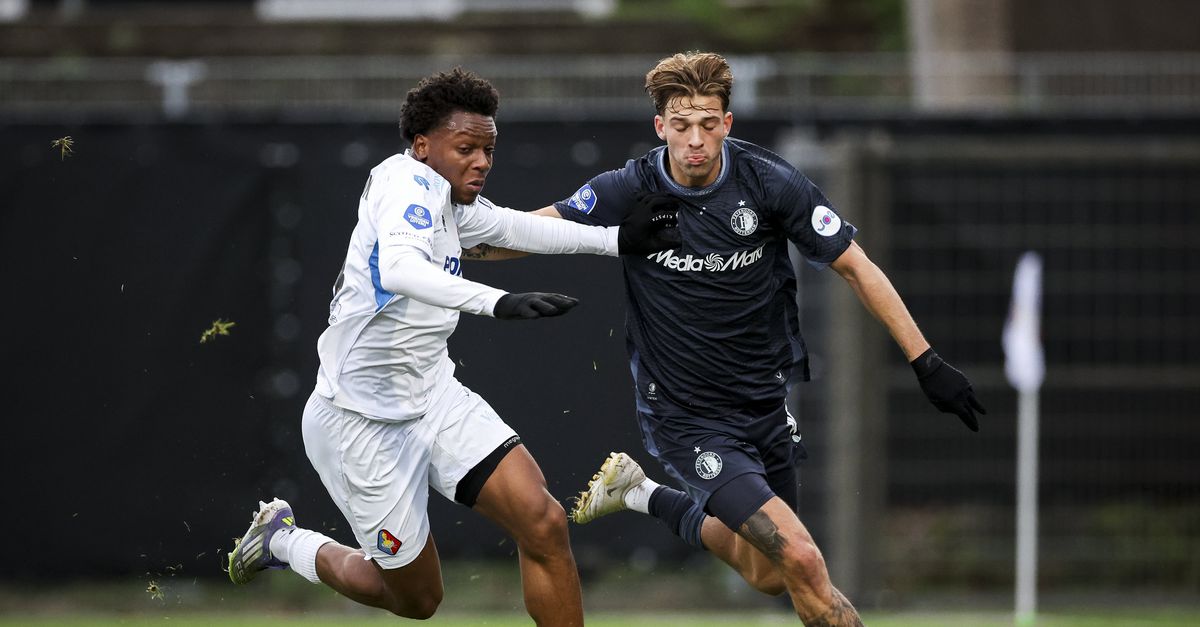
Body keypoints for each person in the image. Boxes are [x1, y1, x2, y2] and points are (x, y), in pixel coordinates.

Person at [483, 51, 986, 625]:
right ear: (660, 127)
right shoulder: (632, 188)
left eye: (707, 123)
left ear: (727, 123)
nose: (694, 139)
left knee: (770, 574)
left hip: (764, 404)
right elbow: (535, 228)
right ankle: (653, 487)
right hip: (686, 416)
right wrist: (455, 243)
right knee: (802, 557)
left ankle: (641, 492)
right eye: (681, 125)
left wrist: (926, 362)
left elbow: (856, 265)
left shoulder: (769, 182)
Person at [224, 67, 678, 626]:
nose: (482, 161)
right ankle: (282, 543)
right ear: (422, 146)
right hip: (358, 421)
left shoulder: (448, 197)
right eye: (466, 147)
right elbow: (401, 269)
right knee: (416, 601)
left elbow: (515, 229)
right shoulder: (404, 185)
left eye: (488, 149)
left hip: (433, 395)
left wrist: (621, 241)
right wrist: (497, 302)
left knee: (543, 521)